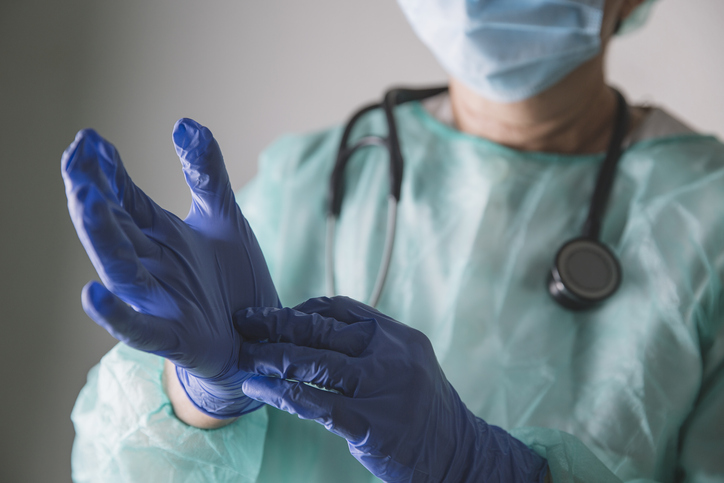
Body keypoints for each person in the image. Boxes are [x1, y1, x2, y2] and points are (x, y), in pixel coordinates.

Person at [64, 0, 724, 482]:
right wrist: (195, 397)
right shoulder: (313, 177)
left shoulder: (708, 218)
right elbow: (110, 467)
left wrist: (485, 472)